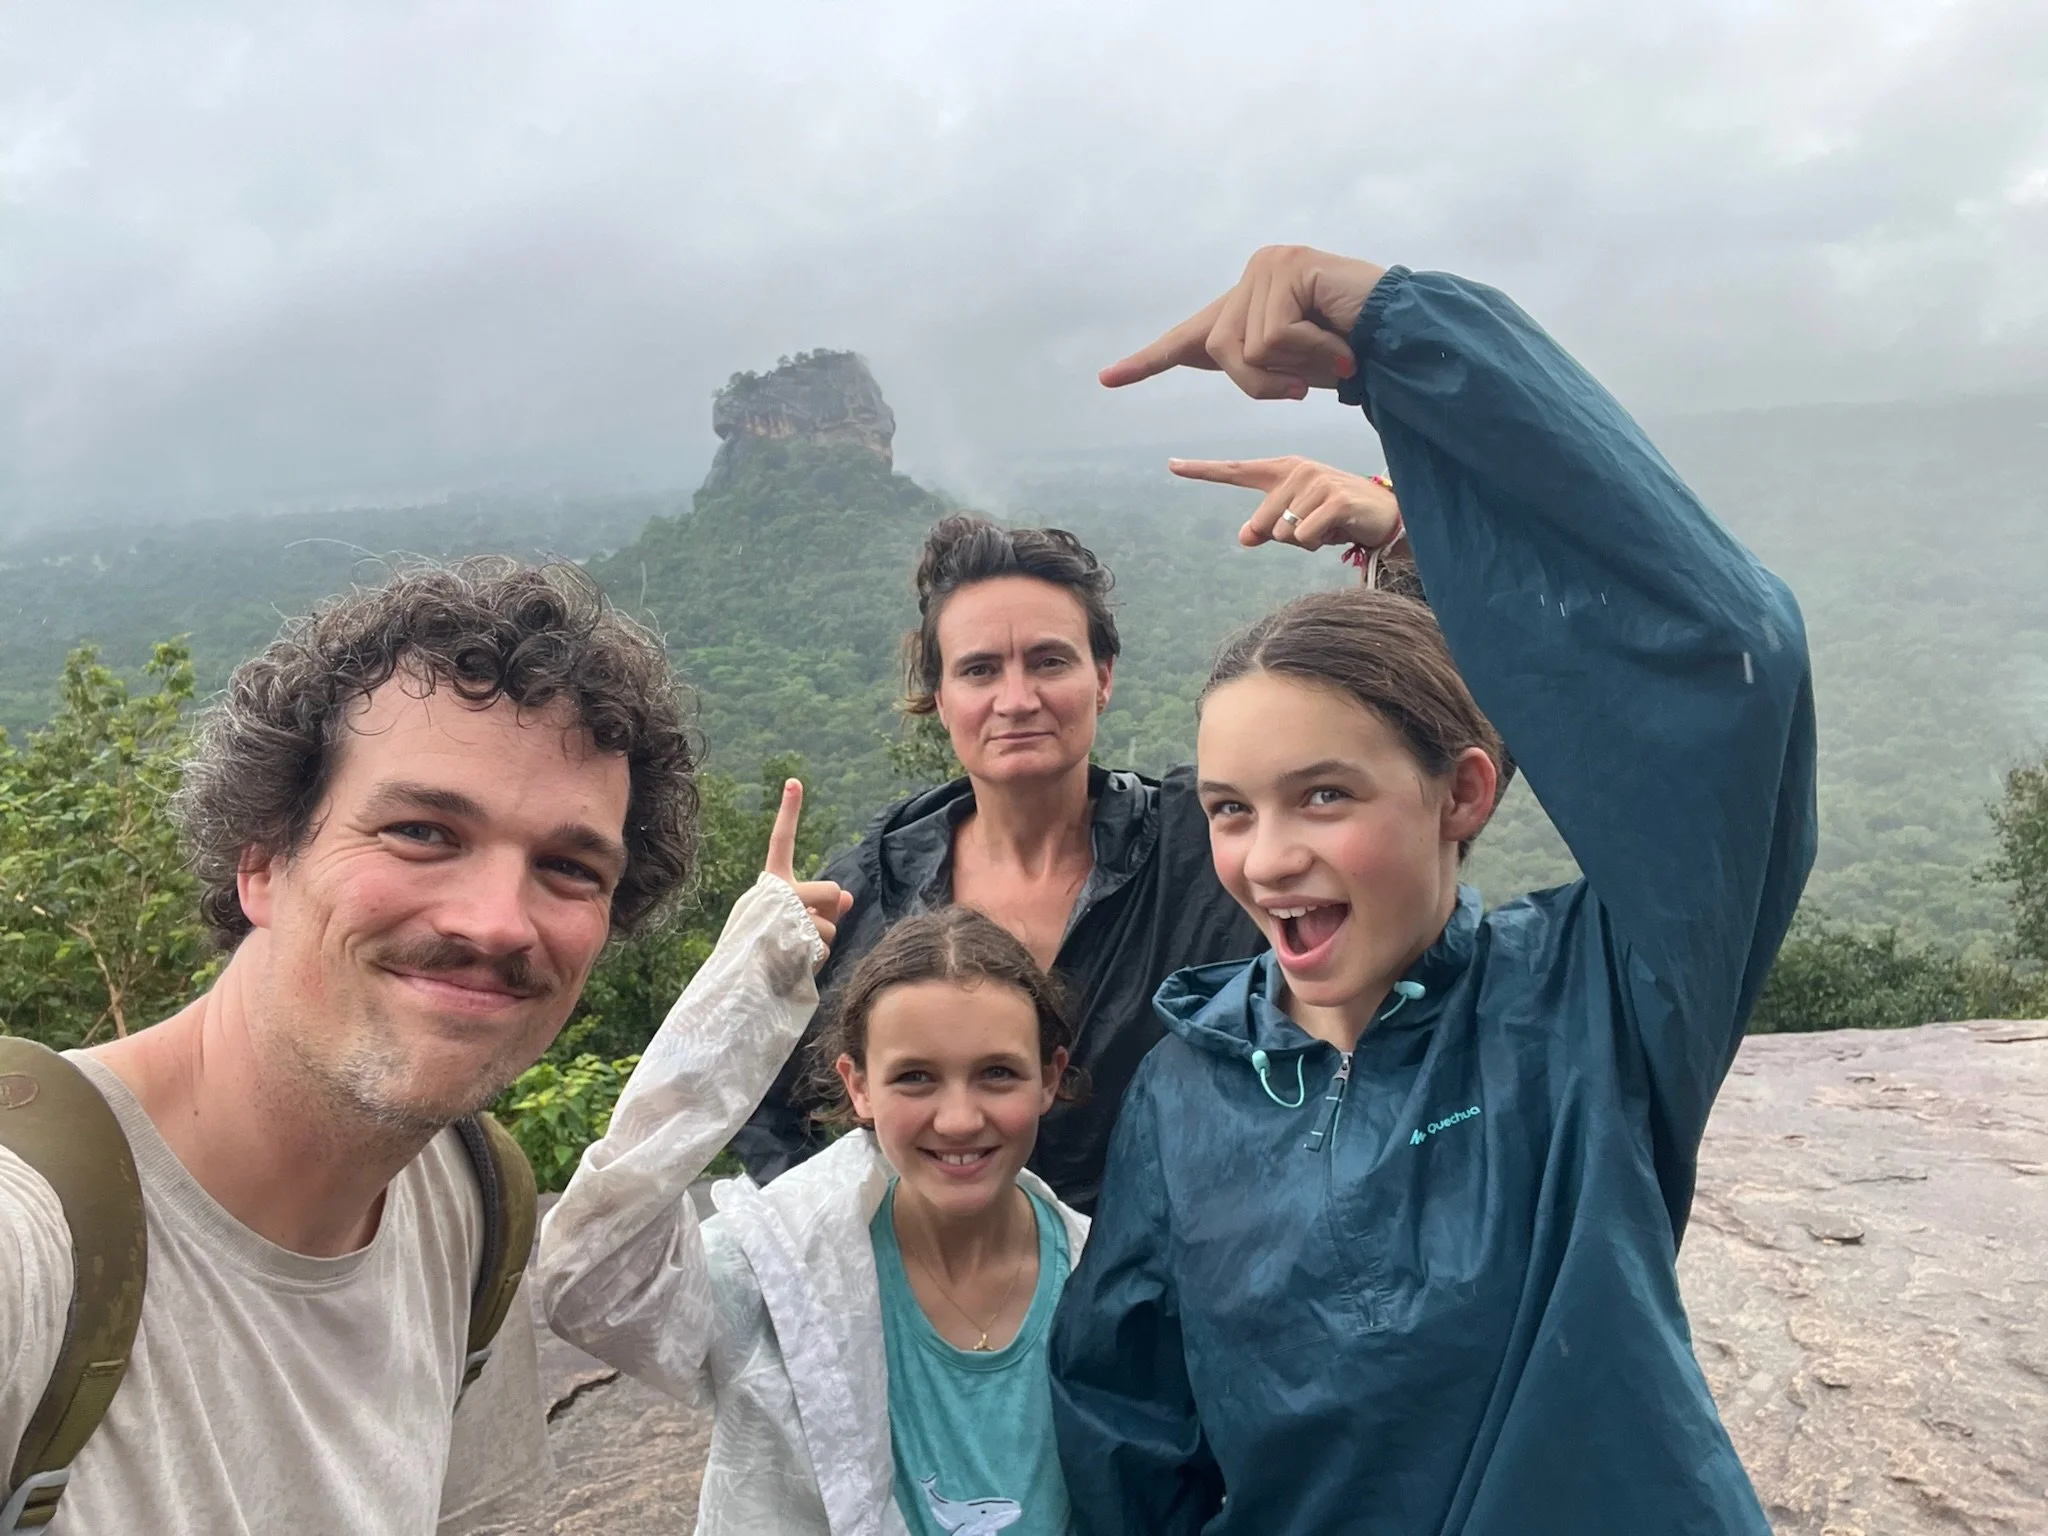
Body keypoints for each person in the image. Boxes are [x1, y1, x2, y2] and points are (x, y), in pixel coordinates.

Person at [1048, 246, 1816, 1535]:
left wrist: (1390, 342)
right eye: (1230, 810)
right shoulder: (1186, 1090)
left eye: (1324, 796)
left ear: (1460, 795)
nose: (1266, 857)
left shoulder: (1590, 1011)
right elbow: (1126, 1421)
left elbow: (1727, 661)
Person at [0, 560, 699, 1534]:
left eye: (569, 868)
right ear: (261, 860)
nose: (498, 921)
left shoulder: (472, 1205)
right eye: (421, 831)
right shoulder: (29, 1248)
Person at [537, 781, 1088, 1536]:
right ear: (856, 1086)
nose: (959, 1119)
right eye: (915, 1077)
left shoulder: (1098, 1276)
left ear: (1050, 1076)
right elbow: (587, 1282)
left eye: (997, 1073)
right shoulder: (781, 1269)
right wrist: (745, 990)